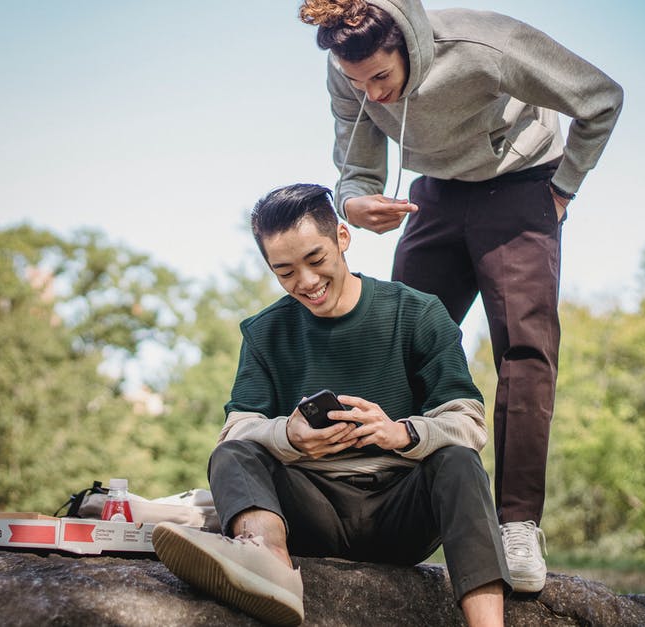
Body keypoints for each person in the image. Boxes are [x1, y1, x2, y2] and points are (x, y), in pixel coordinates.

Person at [297, 0, 624, 592]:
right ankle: (379, 504)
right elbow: (357, 161)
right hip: (437, 195)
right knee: (396, 344)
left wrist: (564, 189)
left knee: (524, 354)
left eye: (380, 78)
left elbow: (601, 97)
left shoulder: (483, 46)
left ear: (412, 49)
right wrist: (354, 201)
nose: (370, 94)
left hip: (524, 186)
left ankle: (518, 525)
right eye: (356, 82)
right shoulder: (347, 71)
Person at [153, 183, 508, 626]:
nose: (305, 281)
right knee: (232, 454)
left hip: (401, 511)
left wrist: (402, 433)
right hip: (310, 513)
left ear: (342, 237)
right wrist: (289, 435)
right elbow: (235, 432)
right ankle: (269, 571)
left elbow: (469, 423)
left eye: (315, 260)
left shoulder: (417, 313)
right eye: (285, 272)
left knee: (459, 462)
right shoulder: (264, 332)